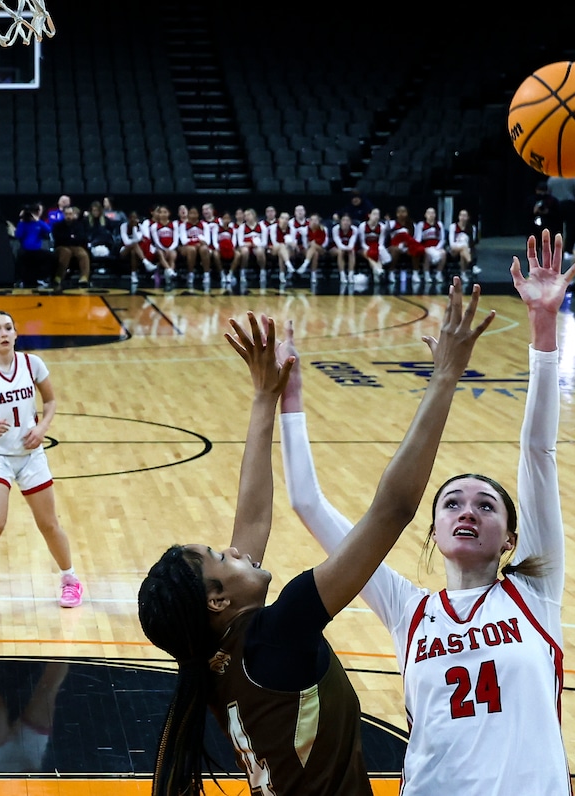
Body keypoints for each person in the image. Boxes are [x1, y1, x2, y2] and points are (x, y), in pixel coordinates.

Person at [137, 288, 492, 796]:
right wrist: (444, 378)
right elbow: (392, 511)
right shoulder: (278, 635)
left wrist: (264, 398)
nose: (235, 549)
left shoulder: (217, 661)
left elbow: (253, 519)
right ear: (216, 600)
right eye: (220, 556)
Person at [281, 232, 575, 793]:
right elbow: (307, 503)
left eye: (486, 506)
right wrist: (290, 398)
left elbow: (538, 451)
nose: (468, 511)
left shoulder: (536, 594)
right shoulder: (407, 611)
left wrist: (544, 328)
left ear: (511, 539)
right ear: (434, 528)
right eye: (452, 503)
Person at [0, 310, 81, 620]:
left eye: (8, 327)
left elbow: (50, 402)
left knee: (49, 524)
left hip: (31, 455)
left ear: (16, 333)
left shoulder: (32, 364)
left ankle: (70, 580)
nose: (4, 333)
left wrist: (42, 427)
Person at [50, 205, 91, 291]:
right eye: (67, 214)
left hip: (75, 246)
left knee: (82, 253)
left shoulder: (78, 225)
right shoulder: (57, 225)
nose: (68, 216)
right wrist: (71, 237)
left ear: (73, 214)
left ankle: (84, 277)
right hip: (61, 247)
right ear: (63, 215)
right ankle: (58, 277)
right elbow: (58, 238)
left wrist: (70, 238)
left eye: (70, 214)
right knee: (66, 252)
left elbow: (81, 238)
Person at [14, 203, 54, 289]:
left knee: (50, 257)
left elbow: (48, 230)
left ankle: (42, 278)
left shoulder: (39, 223)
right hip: (25, 250)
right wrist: (22, 220)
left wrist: (37, 220)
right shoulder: (23, 223)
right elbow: (18, 235)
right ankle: (20, 279)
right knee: (20, 257)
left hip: (37, 250)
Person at [547, 175, 575, 253]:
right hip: (569, 205)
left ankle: (555, 249)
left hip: (555, 205)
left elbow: (548, 192)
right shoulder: (572, 178)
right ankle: (568, 250)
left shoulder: (552, 179)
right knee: (570, 228)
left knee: (555, 228)